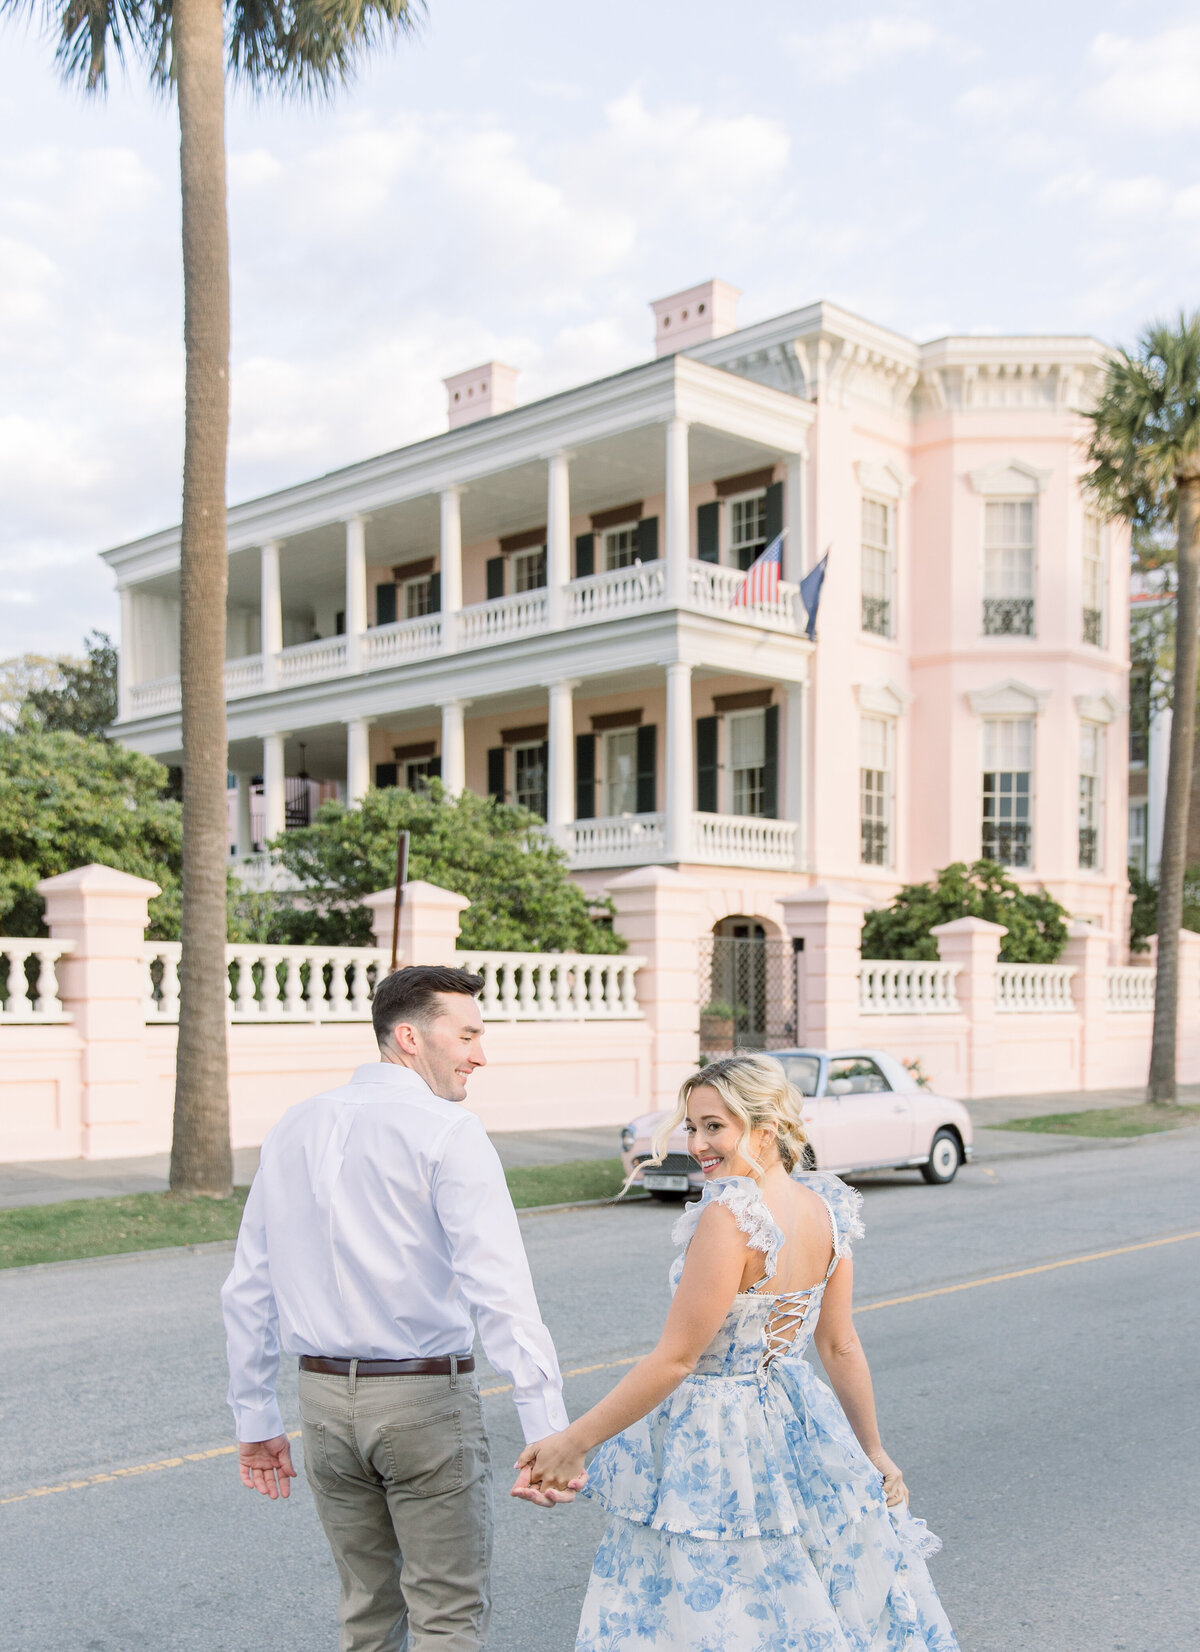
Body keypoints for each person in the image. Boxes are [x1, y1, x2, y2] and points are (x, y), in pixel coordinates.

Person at [513, 1052, 961, 1651]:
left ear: (765, 1129)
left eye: (714, 1126)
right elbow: (839, 1344)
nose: (696, 1142)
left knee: (708, 1604)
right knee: (796, 1588)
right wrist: (872, 1450)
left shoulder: (730, 1217)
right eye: (692, 1126)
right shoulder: (823, 1208)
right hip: (798, 1417)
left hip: (715, 1437)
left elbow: (677, 1359)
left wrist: (573, 1442)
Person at [221, 963, 573, 1652]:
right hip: (421, 1403)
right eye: (467, 1034)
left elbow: (249, 1285)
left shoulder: (295, 1125)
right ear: (410, 1037)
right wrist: (546, 1427)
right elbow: (499, 1290)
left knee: (366, 1611)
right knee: (446, 1613)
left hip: (321, 1401)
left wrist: (256, 1417)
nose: (480, 1054)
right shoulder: (449, 1131)